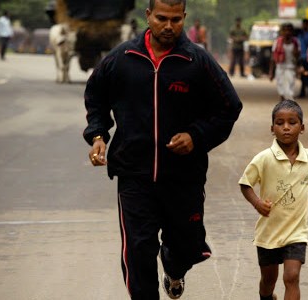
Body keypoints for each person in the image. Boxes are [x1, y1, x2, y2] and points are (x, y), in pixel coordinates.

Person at [83, 0, 243, 299]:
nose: (168, 26)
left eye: (175, 19)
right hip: (134, 174)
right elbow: (96, 96)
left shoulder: (197, 61)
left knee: (184, 246)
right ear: (147, 16)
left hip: (184, 177)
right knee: (138, 251)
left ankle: (174, 267)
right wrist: (98, 134)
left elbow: (229, 107)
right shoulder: (123, 58)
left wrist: (196, 136)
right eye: (161, 18)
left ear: (184, 18)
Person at [239, 99, 308, 300]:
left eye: (292, 122)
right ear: (272, 128)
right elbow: (245, 183)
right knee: (269, 279)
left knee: (291, 277)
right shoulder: (264, 158)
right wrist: (257, 203)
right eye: (280, 123)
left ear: (302, 127)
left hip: (296, 232)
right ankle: (266, 297)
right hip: (268, 233)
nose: (286, 128)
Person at [269, 23, 300, 101]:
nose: (287, 32)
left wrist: (298, 68)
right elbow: (273, 57)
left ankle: (289, 105)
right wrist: (271, 72)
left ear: (292, 32)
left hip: (290, 69)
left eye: (289, 30)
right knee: (281, 90)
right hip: (280, 68)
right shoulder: (277, 42)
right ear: (282, 31)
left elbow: (298, 57)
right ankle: (283, 106)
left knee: (288, 89)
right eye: (285, 30)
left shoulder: (295, 42)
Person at [297, 19, 308, 98]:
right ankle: (303, 91)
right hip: (301, 57)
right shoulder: (300, 34)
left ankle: (304, 91)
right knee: (302, 76)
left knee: (305, 75)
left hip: (307, 57)